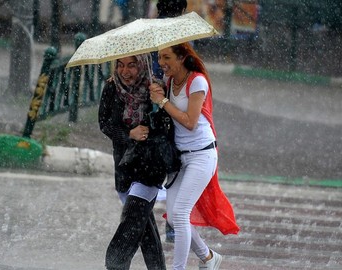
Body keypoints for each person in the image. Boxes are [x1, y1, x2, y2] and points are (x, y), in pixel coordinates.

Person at [149, 43, 240, 270]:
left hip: (202, 155)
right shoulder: (170, 82)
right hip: (181, 159)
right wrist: (160, 94)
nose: (161, 63)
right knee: (173, 216)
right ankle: (208, 257)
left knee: (180, 214)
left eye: (166, 57)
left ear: (182, 57)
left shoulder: (197, 81)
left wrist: (163, 102)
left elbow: (190, 122)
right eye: (159, 57)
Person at [98, 53, 166, 270]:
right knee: (144, 226)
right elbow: (105, 123)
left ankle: (115, 263)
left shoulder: (155, 89)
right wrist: (129, 134)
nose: (125, 71)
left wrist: (159, 103)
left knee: (133, 218)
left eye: (132, 66)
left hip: (150, 165)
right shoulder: (111, 88)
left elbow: (166, 127)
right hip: (124, 165)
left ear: (143, 65)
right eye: (120, 65)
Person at [152, 0, 188, 244]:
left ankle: (148, 216)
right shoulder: (183, 34)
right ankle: (174, 224)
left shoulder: (152, 32)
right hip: (175, 102)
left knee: (160, 160)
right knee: (176, 164)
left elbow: (156, 66)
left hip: (156, 102)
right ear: (182, 10)